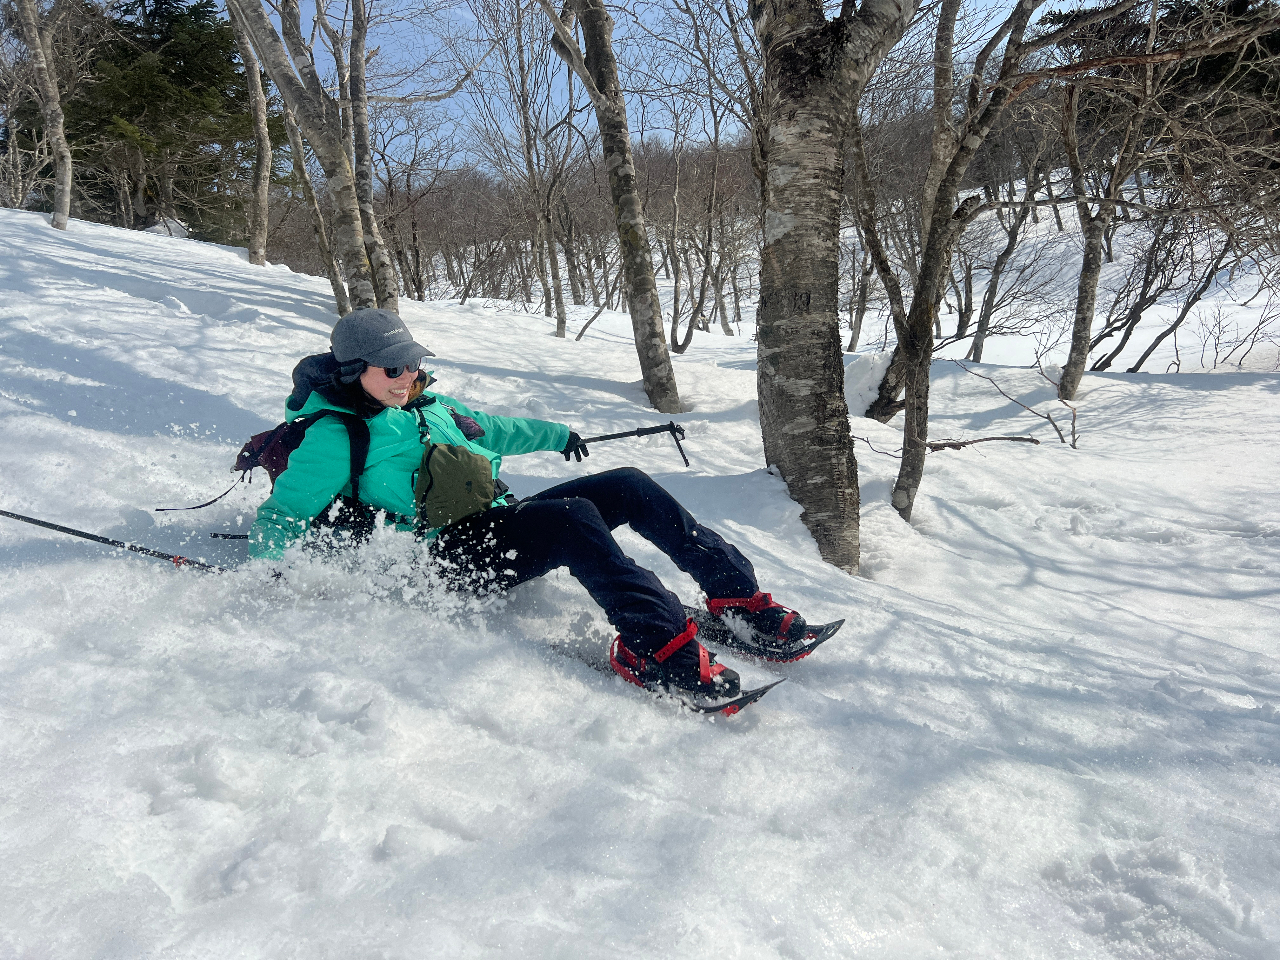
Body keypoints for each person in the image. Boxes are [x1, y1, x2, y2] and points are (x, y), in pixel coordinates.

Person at [250, 308, 812, 700]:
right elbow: (284, 514)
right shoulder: (337, 435)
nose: (408, 377)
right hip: (444, 560)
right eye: (392, 368)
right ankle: (657, 649)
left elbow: (494, 430)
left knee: (629, 483)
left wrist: (559, 434)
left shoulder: (432, 403)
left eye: (413, 364)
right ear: (355, 371)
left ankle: (737, 599)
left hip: (494, 523)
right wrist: (266, 569)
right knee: (571, 519)